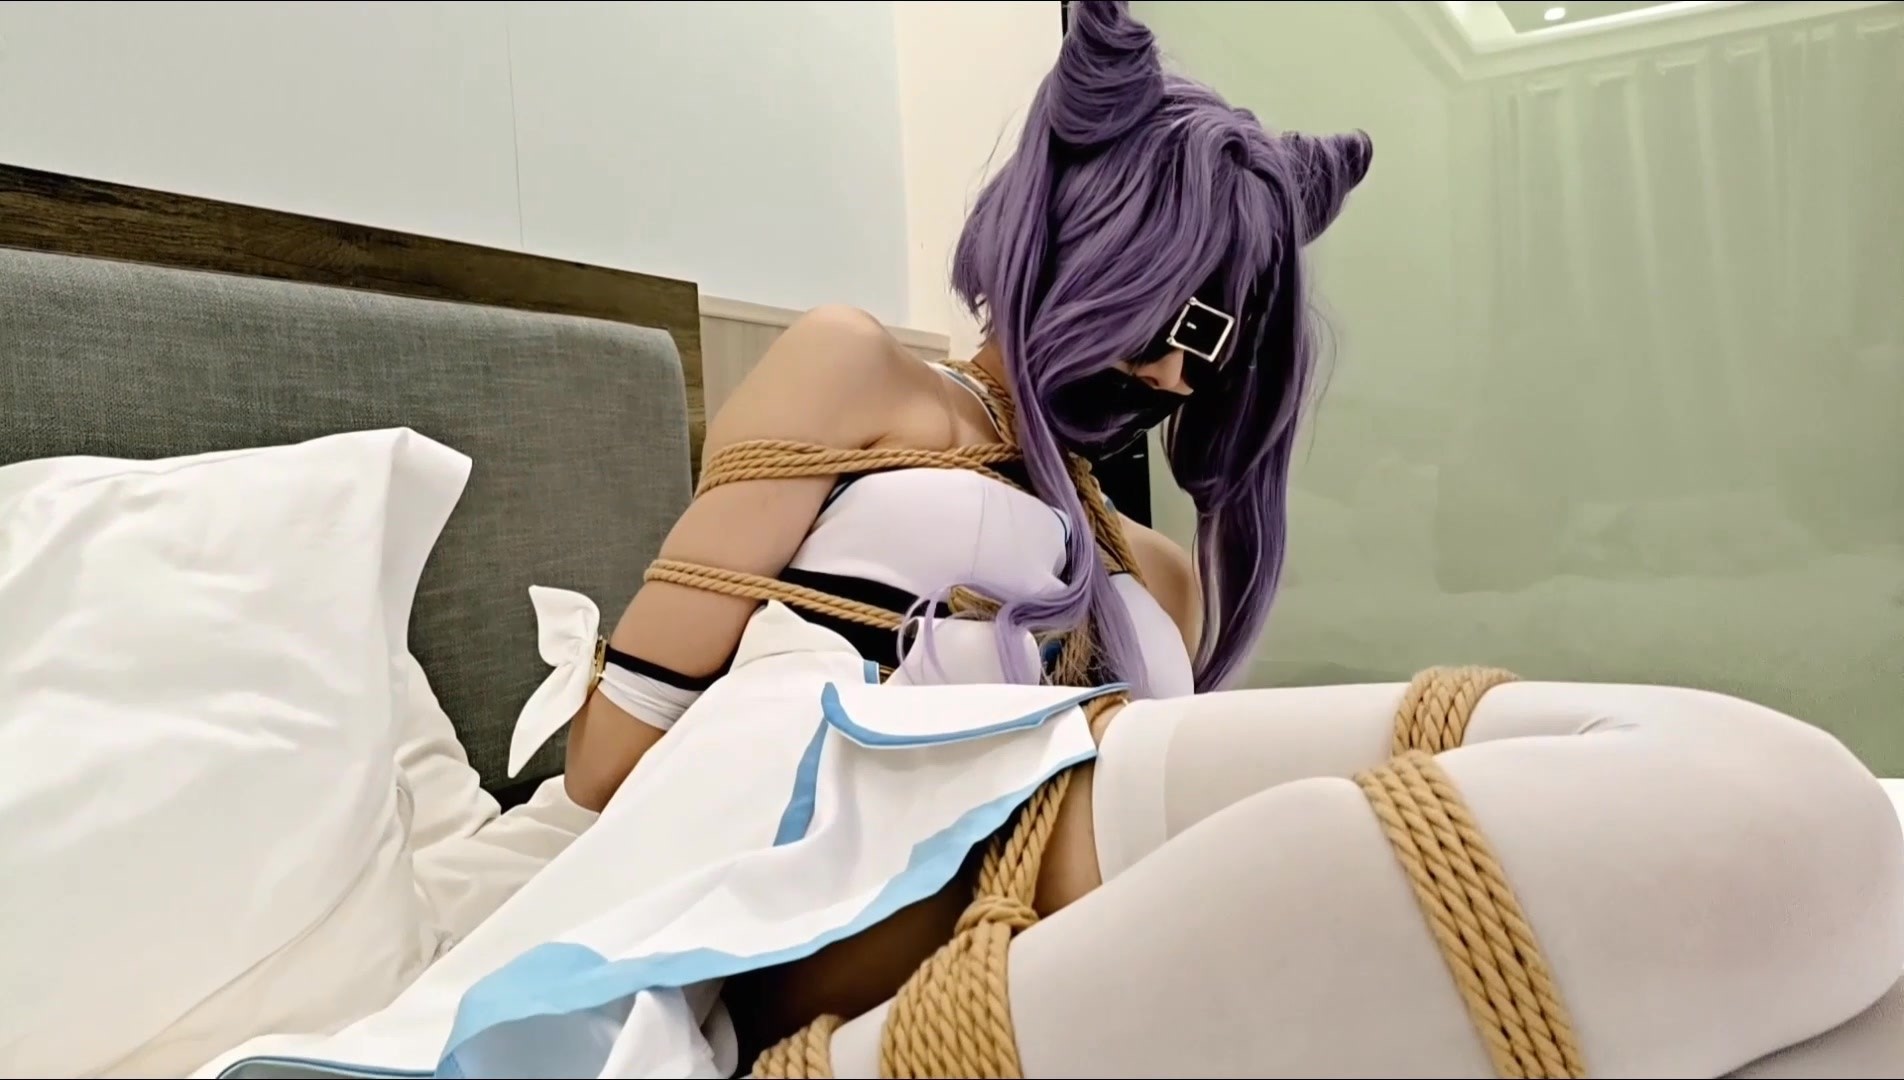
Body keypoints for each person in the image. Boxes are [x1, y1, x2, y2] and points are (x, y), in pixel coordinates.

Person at [200, 4, 1903, 1078]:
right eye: (1175, 309)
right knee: (1789, 825)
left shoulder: (1147, 562)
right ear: (1074, 227)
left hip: (1048, 868)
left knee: (1845, 947)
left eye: (1221, 337)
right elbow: (606, 766)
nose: (1176, 369)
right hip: (865, 855)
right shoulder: (862, 373)